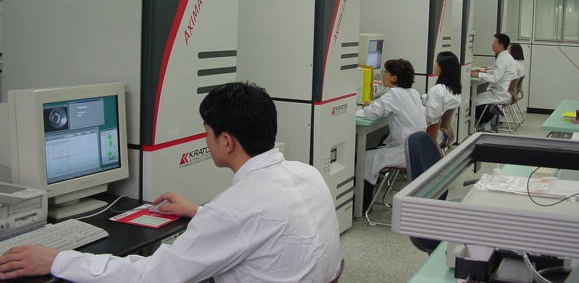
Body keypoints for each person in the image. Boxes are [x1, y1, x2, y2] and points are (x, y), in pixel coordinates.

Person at [0, 82, 342, 283]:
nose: (205, 141)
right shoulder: (306, 174)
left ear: (226, 141)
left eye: (206, 133)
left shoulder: (236, 209)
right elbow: (260, 224)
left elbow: (153, 276)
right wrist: (200, 213)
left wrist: (57, 261)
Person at [361, 58, 425, 210]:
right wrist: (377, 104)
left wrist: (370, 106)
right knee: (378, 146)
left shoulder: (394, 94)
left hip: (404, 152)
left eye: (385, 72)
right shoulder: (413, 92)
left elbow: (371, 114)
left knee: (365, 158)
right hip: (417, 148)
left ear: (394, 77)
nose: (383, 75)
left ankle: (362, 206)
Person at [471, 33, 518, 128]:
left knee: (471, 100)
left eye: (494, 42)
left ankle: (482, 121)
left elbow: (495, 78)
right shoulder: (506, 57)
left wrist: (478, 74)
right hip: (505, 92)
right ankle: (486, 119)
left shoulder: (502, 59)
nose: (492, 45)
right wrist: (485, 71)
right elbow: (498, 72)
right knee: (476, 98)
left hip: (500, 94)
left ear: (500, 45)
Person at [423, 51, 462, 146]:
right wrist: (425, 97)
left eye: (436, 62)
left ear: (442, 68)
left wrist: (416, 106)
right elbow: (442, 102)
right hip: (445, 133)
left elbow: (429, 117)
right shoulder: (454, 89)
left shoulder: (437, 90)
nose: (434, 65)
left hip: (433, 135)